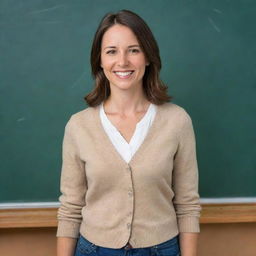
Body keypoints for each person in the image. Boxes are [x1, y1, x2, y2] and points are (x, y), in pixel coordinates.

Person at [56, 9, 201, 256]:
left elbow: (187, 205)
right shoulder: (78, 126)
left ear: (147, 57)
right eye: (111, 51)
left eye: (133, 50)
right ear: (100, 60)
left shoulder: (177, 121)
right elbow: (70, 208)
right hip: (94, 250)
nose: (122, 61)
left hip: (161, 249)